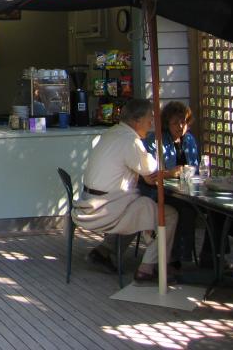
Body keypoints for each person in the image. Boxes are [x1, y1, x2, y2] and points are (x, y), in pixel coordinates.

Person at [74, 98, 178, 283]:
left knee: (139, 207)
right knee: (168, 215)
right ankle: (148, 267)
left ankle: (104, 251)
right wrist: (175, 172)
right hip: (105, 209)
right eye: (149, 118)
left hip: (89, 203)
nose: (152, 122)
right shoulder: (131, 141)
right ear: (137, 120)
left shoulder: (113, 132)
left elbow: (143, 172)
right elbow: (152, 172)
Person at [140, 101, 199, 266]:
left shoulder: (189, 141)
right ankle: (179, 258)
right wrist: (170, 173)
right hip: (157, 192)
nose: (180, 126)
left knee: (212, 211)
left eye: (184, 122)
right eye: (175, 123)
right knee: (185, 209)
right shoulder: (156, 141)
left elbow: (196, 169)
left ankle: (212, 257)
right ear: (167, 124)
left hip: (185, 190)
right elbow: (149, 175)